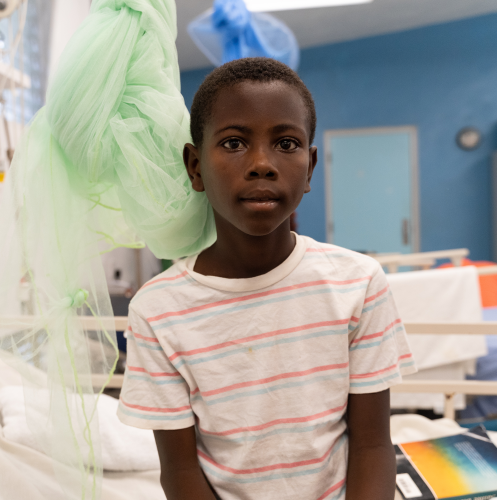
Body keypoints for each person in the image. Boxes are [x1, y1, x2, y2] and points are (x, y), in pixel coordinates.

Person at [116, 57, 416, 500]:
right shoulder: (159, 311)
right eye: (234, 143)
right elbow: (179, 472)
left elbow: (372, 444)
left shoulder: (357, 283)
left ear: (311, 168)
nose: (261, 164)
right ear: (195, 167)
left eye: (287, 144)